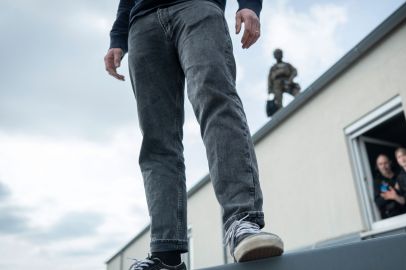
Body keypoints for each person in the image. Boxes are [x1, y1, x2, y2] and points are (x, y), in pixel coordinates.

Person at [104, 0, 283, 269]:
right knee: (156, 138)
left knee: (217, 105)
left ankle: (242, 223)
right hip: (142, 22)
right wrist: (118, 37)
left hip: (197, 7)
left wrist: (248, 4)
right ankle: (166, 255)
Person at [266, 49, 300, 116]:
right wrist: (270, 89)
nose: (278, 55)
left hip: (287, 82)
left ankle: (302, 102)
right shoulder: (273, 68)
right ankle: (281, 114)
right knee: (278, 103)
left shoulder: (287, 65)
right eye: (276, 54)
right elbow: (269, 79)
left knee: (297, 94)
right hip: (277, 84)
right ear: (274, 56)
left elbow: (294, 71)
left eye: (279, 53)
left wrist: (290, 79)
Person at [373, 154, 406, 219]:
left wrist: (386, 195)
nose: (383, 166)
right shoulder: (377, 181)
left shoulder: (399, 175)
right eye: (380, 164)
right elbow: (378, 201)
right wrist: (395, 191)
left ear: (390, 163)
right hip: (391, 218)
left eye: (385, 163)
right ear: (377, 166)